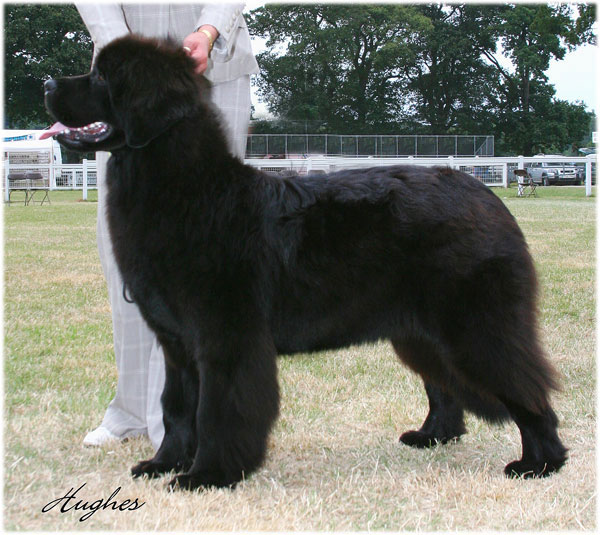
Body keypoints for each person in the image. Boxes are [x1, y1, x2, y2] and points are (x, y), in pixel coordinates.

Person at [76, 4, 259, 450]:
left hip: (216, 66)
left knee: (205, 256)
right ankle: (133, 408)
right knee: (129, 250)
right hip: (123, 78)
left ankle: (188, 419)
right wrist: (121, 51)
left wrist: (210, 30)